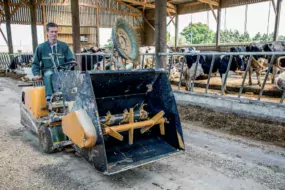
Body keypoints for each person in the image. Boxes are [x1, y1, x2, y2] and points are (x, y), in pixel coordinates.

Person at [32, 22, 76, 101]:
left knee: (72, 76)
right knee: (49, 74)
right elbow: (35, 63)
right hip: (48, 70)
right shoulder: (41, 47)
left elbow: (70, 58)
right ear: (47, 33)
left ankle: (71, 97)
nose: (54, 34)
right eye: (52, 32)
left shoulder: (64, 46)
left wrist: (72, 62)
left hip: (62, 70)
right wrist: (36, 74)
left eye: (56, 32)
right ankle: (50, 96)